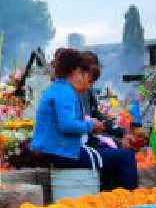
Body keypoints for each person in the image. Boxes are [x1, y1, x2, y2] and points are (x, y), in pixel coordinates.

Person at [29, 48, 138, 191]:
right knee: (126, 157)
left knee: (113, 155)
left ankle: (111, 198)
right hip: (64, 153)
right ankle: (127, 200)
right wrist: (90, 125)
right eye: (88, 80)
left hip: (60, 150)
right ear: (77, 72)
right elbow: (67, 125)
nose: (88, 86)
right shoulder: (65, 91)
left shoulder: (59, 88)